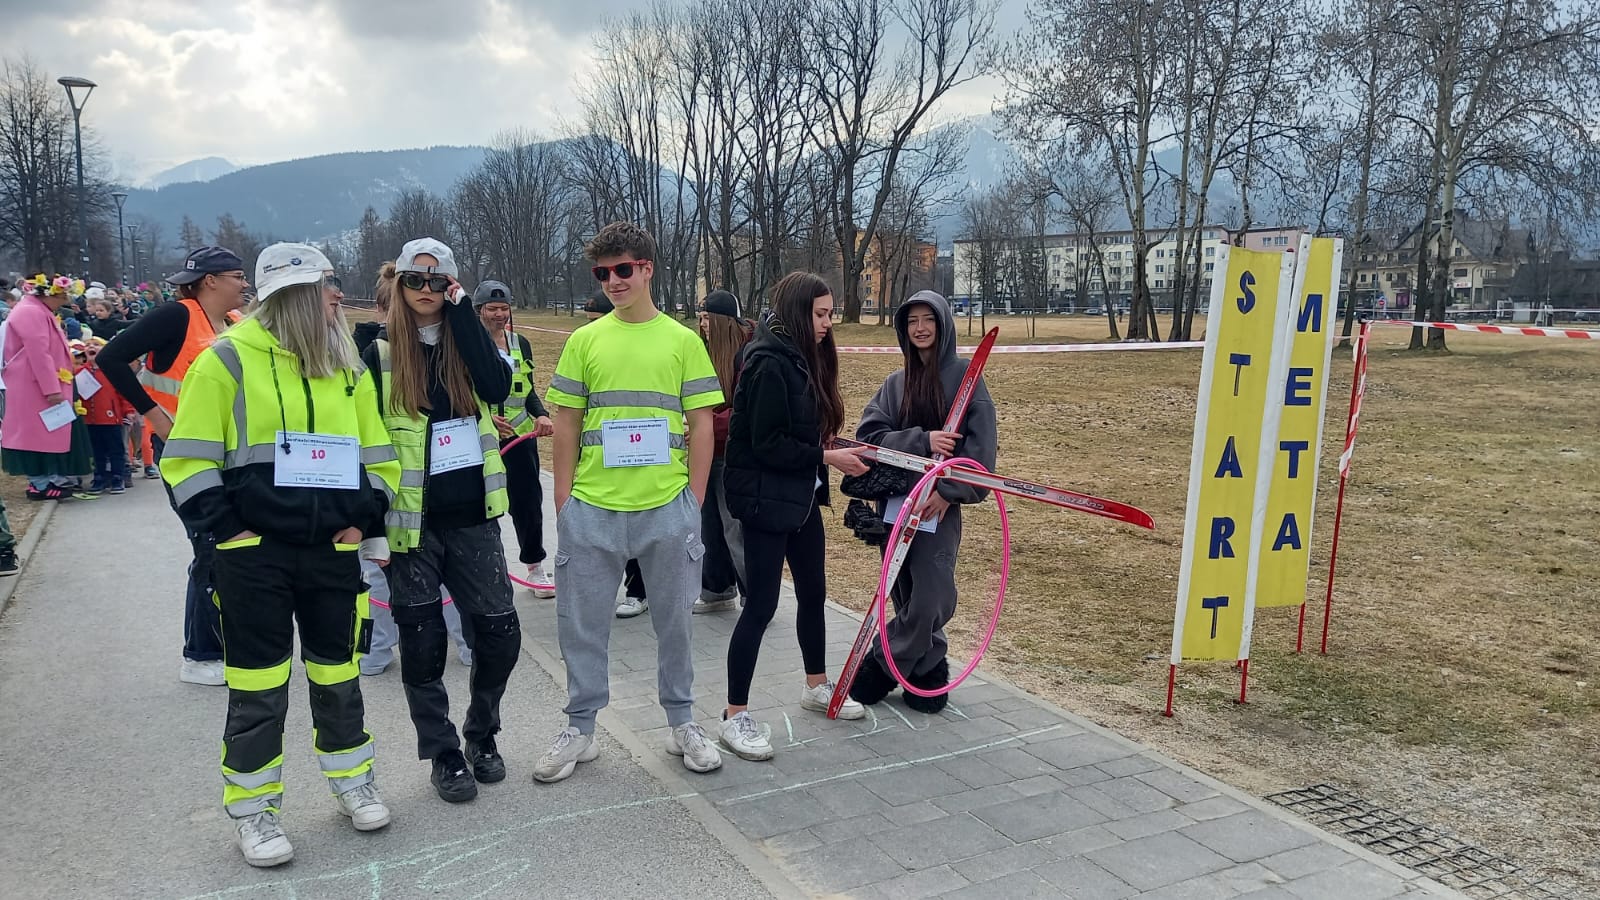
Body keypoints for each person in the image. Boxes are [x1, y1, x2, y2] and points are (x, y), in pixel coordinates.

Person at [160, 243, 397, 866]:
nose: (337, 297)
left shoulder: (346, 365)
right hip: (254, 559)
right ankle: (254, 810)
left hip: (330, 552)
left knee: (338, 675)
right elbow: (187, 463)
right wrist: (231, 533)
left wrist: (362, 521)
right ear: (293, 297)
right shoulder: (226, 361)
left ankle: (352, 781)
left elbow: (379, 456)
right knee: (259, 686)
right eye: (326, 287)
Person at [540, 221, 724, 782]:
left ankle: (682, 722)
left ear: (647, 269)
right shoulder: (585, 341)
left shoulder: (683, 341)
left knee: (676, 624)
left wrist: (693, 500)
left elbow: (702, 424)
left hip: (666, 508)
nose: (613, 281)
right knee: (581, 625)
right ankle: (580, 728)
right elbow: (567, 424)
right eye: (603, 273)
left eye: (623, 269)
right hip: (592, 510)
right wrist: (564, 500)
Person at [361, 238, 520, 803]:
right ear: (399, 284)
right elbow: (364, 441)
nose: (425, 290)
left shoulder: (466, 341)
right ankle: (443, 752)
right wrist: (371, 528)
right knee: (423, 644)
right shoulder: (376, 352)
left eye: (438, 282)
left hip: (473, 517)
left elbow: (498, 388)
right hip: (412, 525)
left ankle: (482, 733)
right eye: (415, 280)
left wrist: (463, 313)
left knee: (500, 633)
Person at [719, 273, 870, 761]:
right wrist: (826, 458)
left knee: (813, 592)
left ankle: (816, 684)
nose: (828, 324)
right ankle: (734, 714)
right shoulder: (767, 362)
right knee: (761, 605)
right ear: (797, 312)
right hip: (766, 501)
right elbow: (767, 444)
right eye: (820, 314)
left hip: (802, 498)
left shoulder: (804, 355)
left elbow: (802, 430)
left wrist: (831, 449)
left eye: (830, 314)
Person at [101, 246, 248, 686]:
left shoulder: (235, 322)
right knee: (211, 544)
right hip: (184, 453)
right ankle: (200, 655)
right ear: (210, 281)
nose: (244, 284)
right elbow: (111, 358)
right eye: (237, 276)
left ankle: (228, 644)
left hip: (229, 454)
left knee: (233, 548)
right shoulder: (176, 316)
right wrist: (152, 414)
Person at [848, 291, 997, 712]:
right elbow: (869, 438)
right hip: (896, 503)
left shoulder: (967, 380)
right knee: (904, 591)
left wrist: (950, 493)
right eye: (912, 320)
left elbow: (981, 451)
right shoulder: (896, 384)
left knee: (933, 594)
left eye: (928, 319)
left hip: (937, 508)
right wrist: (922, 439)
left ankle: (880, 665)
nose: (920, 328)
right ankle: (927, 672)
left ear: (943, 323)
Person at [353, 263, 471, 676]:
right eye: (389, 309)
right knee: (376, 579)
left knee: (447, 578)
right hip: (389, 495)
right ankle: (374, 650)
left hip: (436, 495)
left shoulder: (441, 349)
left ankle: (465, 641)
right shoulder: (370, 356)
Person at [475, 280, 555, 597]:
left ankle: (535, 566)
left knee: (528, 503)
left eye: (503, 308)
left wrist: (541, 414)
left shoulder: (520, 343)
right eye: (492, 309)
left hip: (520, 439)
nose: (499, 314)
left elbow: (528, 387)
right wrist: (483, 417)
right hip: (482, 440)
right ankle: (485, 569)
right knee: (483, 504)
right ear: (478, 310)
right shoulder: (467, 343)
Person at [2, 276, 94, 501]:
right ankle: (40, 483)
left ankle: (48, 479)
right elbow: (38, 353)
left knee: (44, 434)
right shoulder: (30, 312)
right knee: (35, 436)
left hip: (36, 384)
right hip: (33, 386)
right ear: (48, 294)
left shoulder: (36, 310)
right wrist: (51, 388)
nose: (64, 301)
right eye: (62, 296)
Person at [693, 290, 753, 614]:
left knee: (735, 528)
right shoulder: (701, 351)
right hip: (706, 452)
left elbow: (747, 411)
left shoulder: (748, 354)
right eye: (700, 318)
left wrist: (704, 425)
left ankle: (755, 597)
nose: (702, 324)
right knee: (709, 526)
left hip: (735, 455)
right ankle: (716, 589)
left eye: (707, 318)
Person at [78, 337, 136, 494]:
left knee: (115, 449)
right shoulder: (80, 372)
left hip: (111, 418)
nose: (91, 347)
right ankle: (100, 477)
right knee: (97, 450)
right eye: (88, 345)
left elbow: (123, 393)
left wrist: (128, 411)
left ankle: (118, 477)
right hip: (89, 419)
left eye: (96, 345)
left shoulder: (112, 370)